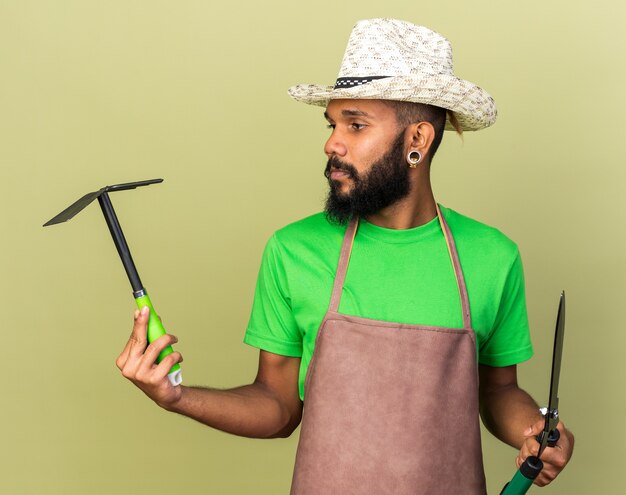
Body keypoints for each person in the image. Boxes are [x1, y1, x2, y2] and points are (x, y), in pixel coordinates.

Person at [115, 18, 574, 494]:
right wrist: (176, 397)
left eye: (355, 125)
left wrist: (536, 430)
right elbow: (277, 405)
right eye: (333, 124)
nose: (332, 143)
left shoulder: (491, 256)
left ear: (418, 140)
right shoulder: (294, 251)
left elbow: (498, 390)